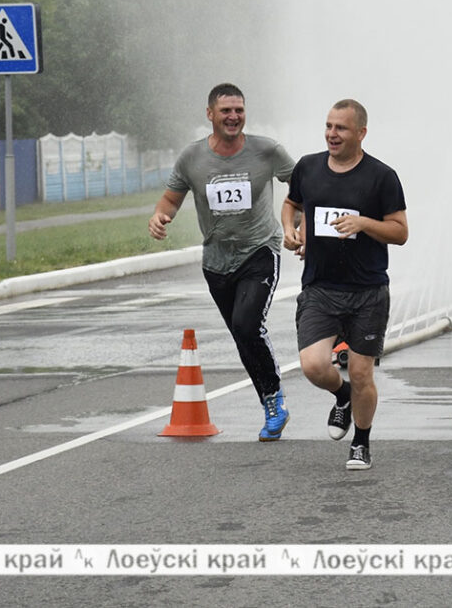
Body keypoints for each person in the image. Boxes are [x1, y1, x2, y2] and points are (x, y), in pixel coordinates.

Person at [148, 83, 296, 441]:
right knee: (241, 336)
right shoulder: (192, 157)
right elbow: (171, 199)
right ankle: (269, 400)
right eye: (226, 110)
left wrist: (298, 221)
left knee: (247, 325)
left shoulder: (266, 150)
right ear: (210, 114)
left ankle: (274, 400)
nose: (233, 117)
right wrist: (159, 216)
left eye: (239, 110)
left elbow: (304, 184)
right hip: (216, 261)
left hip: (259, 251)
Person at [281, 99, 408, 471]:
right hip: (320, 288)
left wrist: (363, 223)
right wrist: (290, 230)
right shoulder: (308, 167)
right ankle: (343, 396)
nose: (332, 134)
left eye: (341, 128)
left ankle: (361, 443)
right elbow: (292, 204)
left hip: (367, 291)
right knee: (313, 365)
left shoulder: (382, 177)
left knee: (361, 370)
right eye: (328, 126)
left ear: (361, 133)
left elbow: (400, 232)